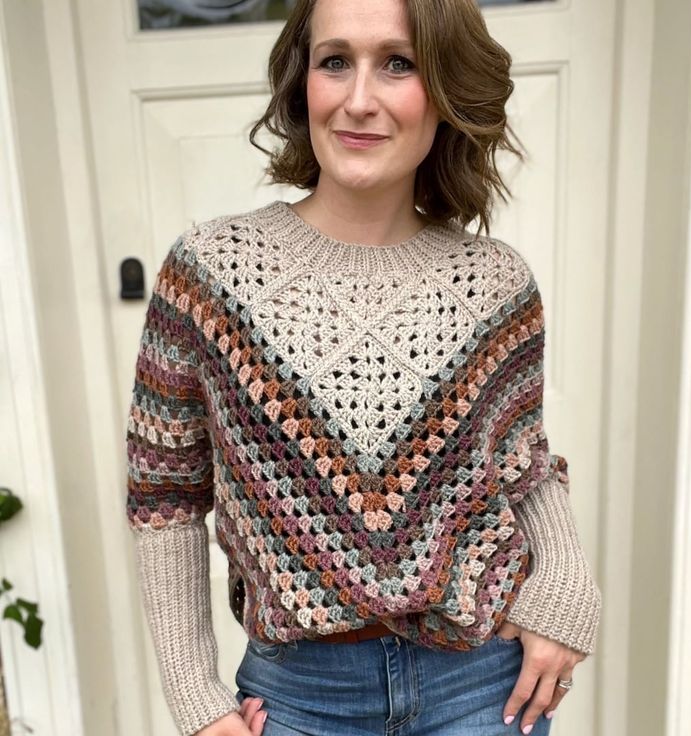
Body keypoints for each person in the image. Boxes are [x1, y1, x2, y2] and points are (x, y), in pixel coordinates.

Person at [124, 0, 602, 734]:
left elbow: (523, 463)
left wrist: (567, 587)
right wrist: (195, 700)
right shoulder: (210, 275)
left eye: (398, 64)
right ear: (301, 81)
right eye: (335, 60)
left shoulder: (494, 283)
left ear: (444, 89)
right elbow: (166, 494)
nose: (358, 99)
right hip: (296, 701)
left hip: (481, 691)